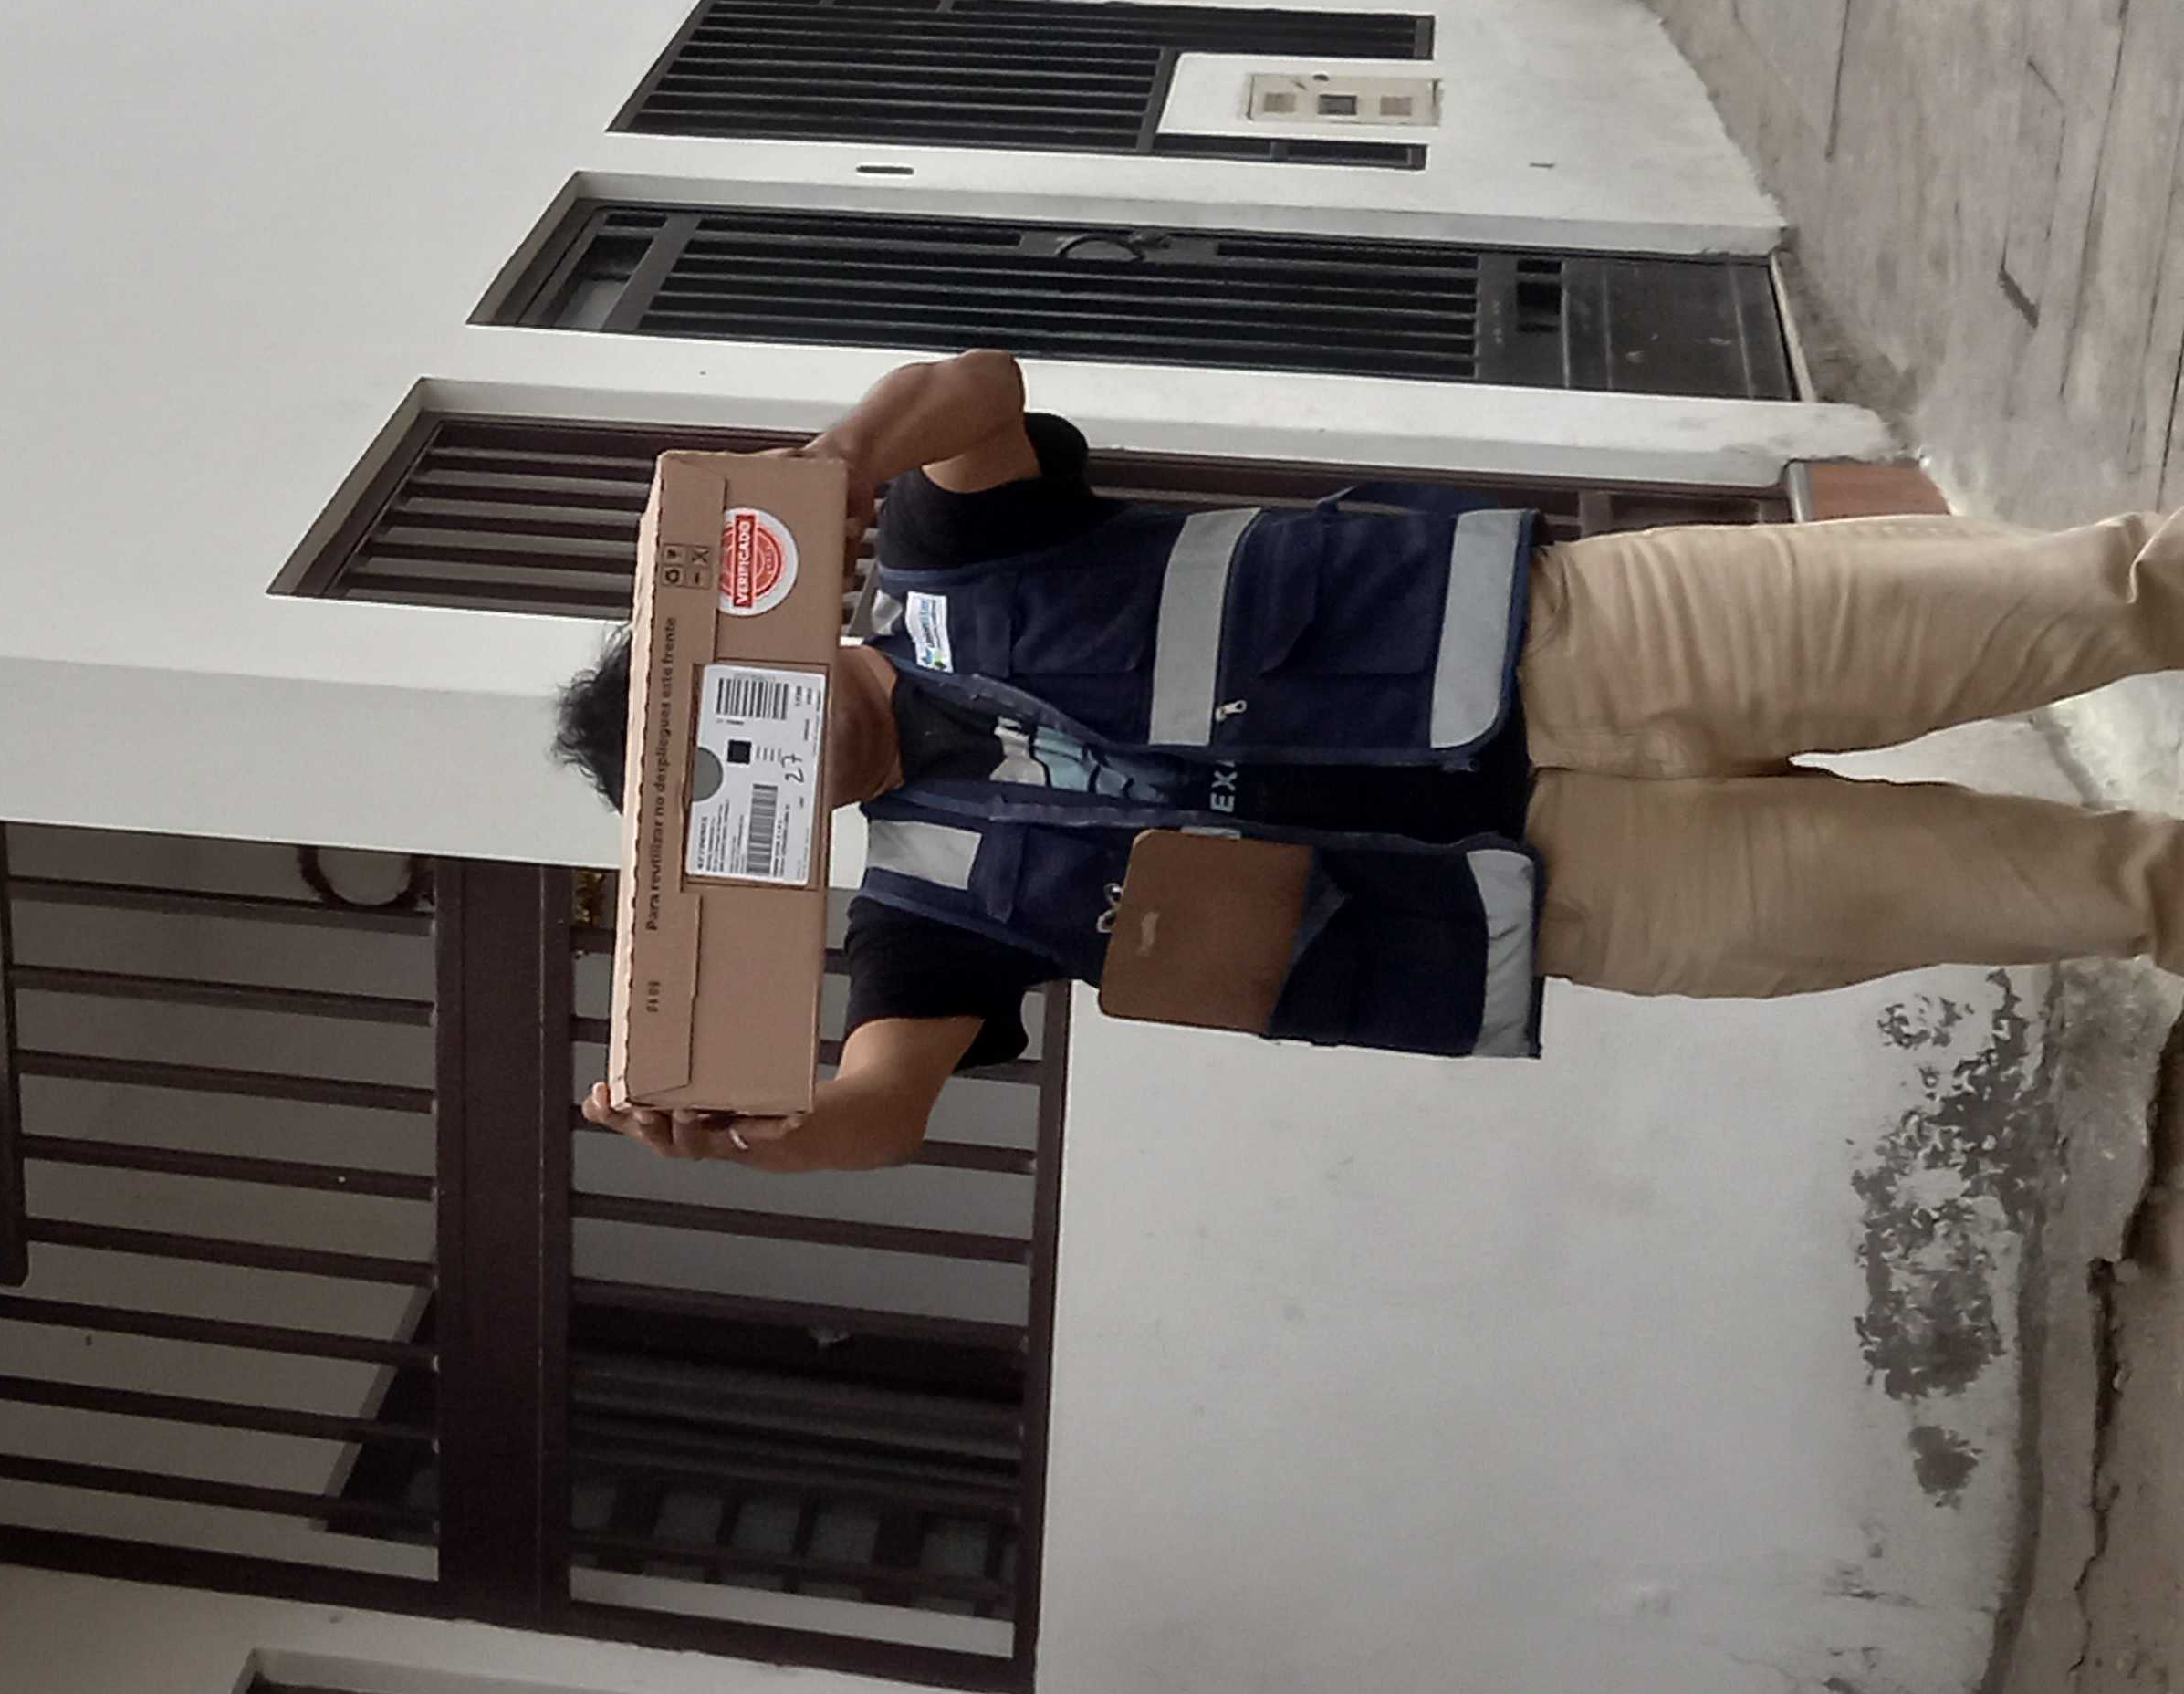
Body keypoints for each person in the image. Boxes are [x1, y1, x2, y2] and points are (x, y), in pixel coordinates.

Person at [550, 347, 2184, 1172]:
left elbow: (979, 389)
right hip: (1569, 892)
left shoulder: (938, 552)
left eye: (730, 718)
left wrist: (838, 462)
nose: (768, 758)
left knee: (2088, 597)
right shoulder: (921, 917)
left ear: (751, 649)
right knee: (2081, 894)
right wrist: (760, 1130)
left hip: (1585, 642)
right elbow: (883, 1108)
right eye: (732, 791)